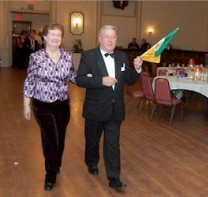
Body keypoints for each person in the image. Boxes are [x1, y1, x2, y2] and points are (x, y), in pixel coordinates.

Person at [75, 24, 143, 191]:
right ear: (100, 39)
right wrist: (101, 81)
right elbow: (80, 79)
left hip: (115, 109)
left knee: (112, 144)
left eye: (113, 37)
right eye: (107, 37)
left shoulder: (121, 56)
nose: (111, 40)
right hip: (95, 109)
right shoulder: (89, 56)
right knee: (92, 141)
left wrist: (137, 68)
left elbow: (128, 79)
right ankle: (91, 162)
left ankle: (114, 178)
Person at [23, 23, 76, 191]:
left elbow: (73, 76)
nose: (55, 38)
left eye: (58, 35)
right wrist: (26, 104)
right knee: (51, 139)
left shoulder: (67, 56)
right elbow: (30, 81)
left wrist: (93, 80)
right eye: (52, 35)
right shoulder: (36, 57)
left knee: (60, 138)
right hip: (42, 104)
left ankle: (56, 164)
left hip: (62, 104)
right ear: (44, 37)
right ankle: (50, 175)